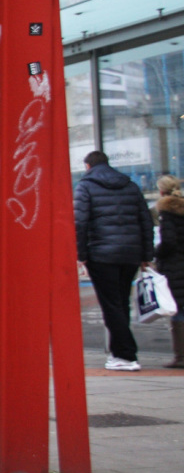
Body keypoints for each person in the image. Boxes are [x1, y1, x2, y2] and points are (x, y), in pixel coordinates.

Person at [74, 150, 153, 371]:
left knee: (111, 305)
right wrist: (147, 255)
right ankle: (120, 353)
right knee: (121, 303)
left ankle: (127, 355)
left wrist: (81, 255)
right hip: (130, 254)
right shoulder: (130, 185)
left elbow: (80, 223)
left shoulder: (86, 186)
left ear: (88, 166)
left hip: (102, 254)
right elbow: (145, 221)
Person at [154, 175, 184, 369]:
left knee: (178, 311)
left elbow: (168, 242)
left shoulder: (167, 213)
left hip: (175, 266)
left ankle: (180, 356)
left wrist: (157, 253)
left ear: (162, 192)